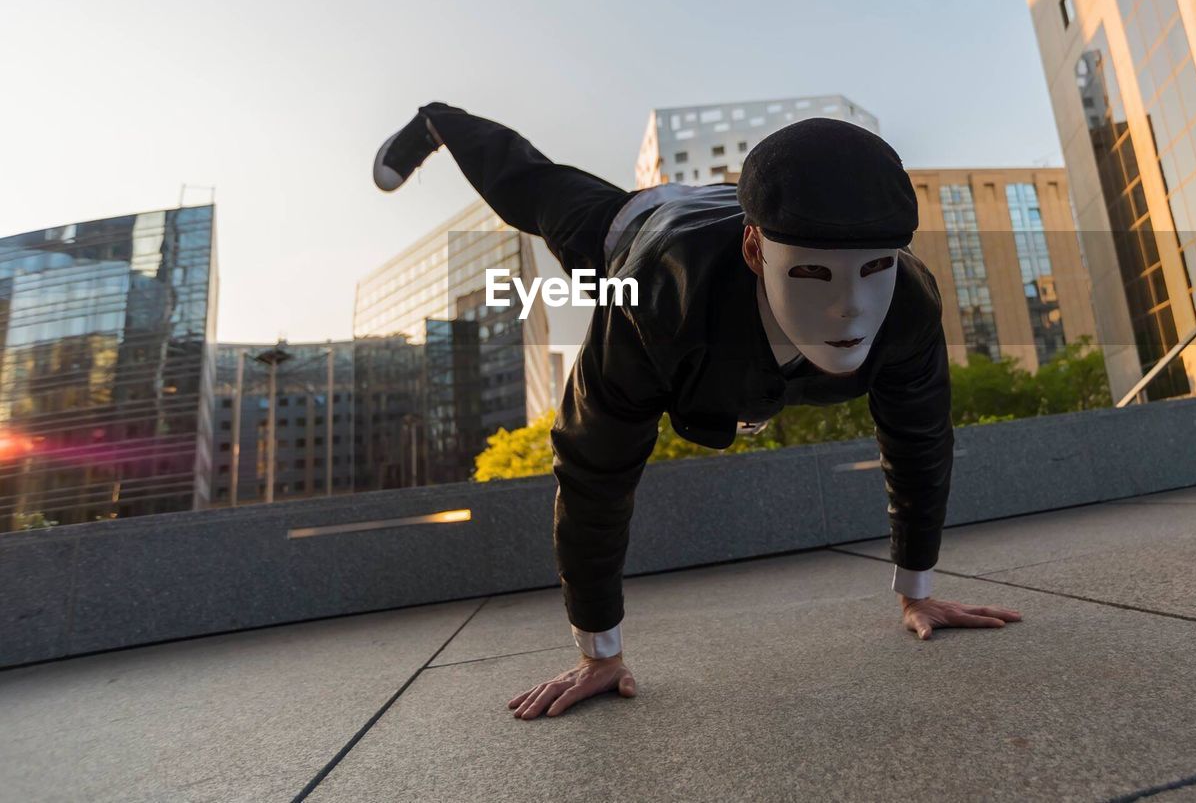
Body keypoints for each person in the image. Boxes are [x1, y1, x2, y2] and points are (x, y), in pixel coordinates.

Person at [373, 101, 1022, 720]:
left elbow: (920, 440)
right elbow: (592, 467)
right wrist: (598, 650)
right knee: (537, 193)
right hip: (635, 227)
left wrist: (919, 587)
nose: (850, 310)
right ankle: (440, 121)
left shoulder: (907, 304)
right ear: (755, 253)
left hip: (719, 217)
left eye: (873, 269)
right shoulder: (650, 304)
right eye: (813, 276)